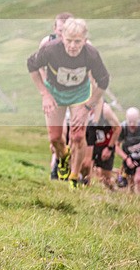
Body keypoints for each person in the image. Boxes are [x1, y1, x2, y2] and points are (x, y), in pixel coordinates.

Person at [27, 18, 110, 189]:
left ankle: (73, 177)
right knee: (55, 138)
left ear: (85, 41)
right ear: (62, 38)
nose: (72, 46)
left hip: (79, 95)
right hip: (55, 93)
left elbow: (103, 81)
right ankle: (63, 156)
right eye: (69, 41)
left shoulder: (91, 54)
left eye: (77, 41)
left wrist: (88, 107)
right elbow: (31, 65)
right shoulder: (50, 50)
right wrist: (45, 94)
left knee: (78, 137)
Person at [39, 13, 73, 179]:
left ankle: (62, 169)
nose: (63, 34)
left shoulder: (78, 44)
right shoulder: (47, 43)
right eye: (60, 30)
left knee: (69, 135)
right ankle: (64, 157)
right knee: (55, 139)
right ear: (55, 29)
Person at [82, 100, 121, 190]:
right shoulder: (81, 106)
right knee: (86, 165)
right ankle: (84, 191)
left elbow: (118, 128)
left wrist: (109, 148)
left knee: (105, 177)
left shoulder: (105, 110)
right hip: (91, 140)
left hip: (105, 144)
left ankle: (114, 189)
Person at [116, 107, 140, 194]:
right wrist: (126, 158)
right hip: (128, 158)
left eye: (135, 121)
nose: (132, 124)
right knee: (130, 183)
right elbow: (116, 146)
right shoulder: (123, 128)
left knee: (138, 179)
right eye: (130, 122)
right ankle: (132, 199)